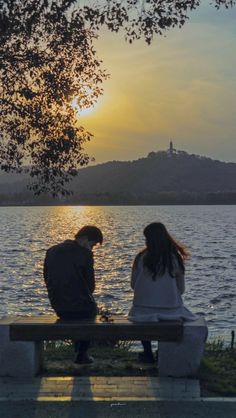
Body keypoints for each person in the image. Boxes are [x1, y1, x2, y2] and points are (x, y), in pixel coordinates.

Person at [128, 222, 198, 364]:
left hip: (141, 311)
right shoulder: (174, 258)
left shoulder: (141, 257)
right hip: (171, 311)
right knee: (172, 318)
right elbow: (182, 289)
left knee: (144, 316)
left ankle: (147, 353)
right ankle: (162, 353)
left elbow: (133, 285)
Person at [44, 225, 103, 364]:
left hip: (58, 306)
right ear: (85, 239)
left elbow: (46, 278)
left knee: (80, 308)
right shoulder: (85, 254)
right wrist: (89, 255)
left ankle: (79, 351)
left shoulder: (52, 250)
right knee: (91, 310)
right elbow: (91, 287)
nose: (92, 248)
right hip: (80, 309)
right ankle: (82, 353)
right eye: (93, 245)